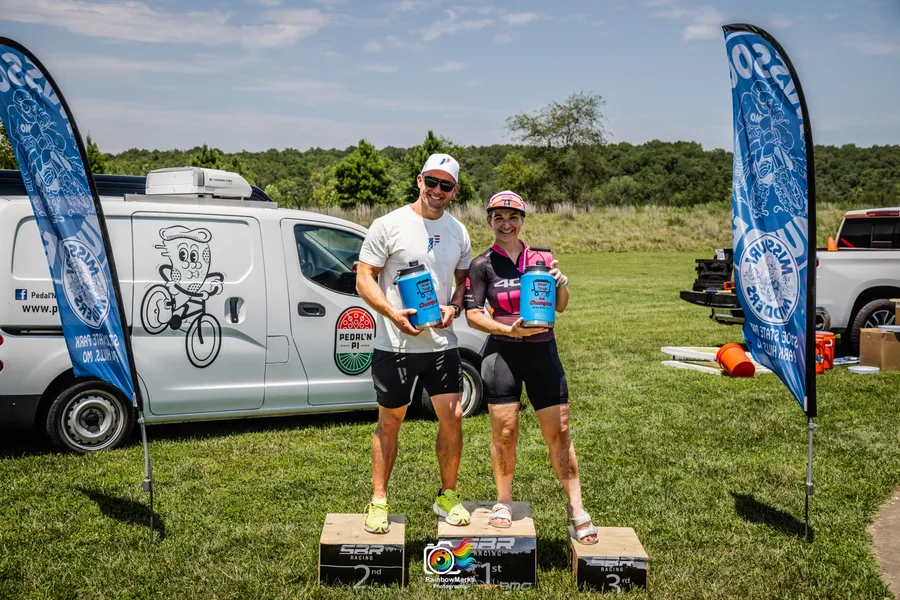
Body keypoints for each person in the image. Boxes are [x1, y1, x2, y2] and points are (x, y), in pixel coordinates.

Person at [464, 190, 598, 544]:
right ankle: (504, 501)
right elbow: (474, 314)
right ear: (489, 221)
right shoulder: (482, 265)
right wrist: (507, 328)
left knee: (560, 434)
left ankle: (577, 509)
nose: (506, 224)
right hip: (502, 355)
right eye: (498, 217)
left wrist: (562, 285)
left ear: (522, 220)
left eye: (513, 217)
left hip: (542, 353)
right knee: (504, 434)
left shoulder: (541, 257)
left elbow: (562, 306)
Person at [356, 153, 473, 534]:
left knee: (453, 418)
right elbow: (364, 278)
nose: (437, 191)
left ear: (454, 191)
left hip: (442, 343)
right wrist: (392, 313)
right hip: (395, 344)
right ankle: (378, 501)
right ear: (419, 180)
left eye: (447, 185)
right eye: (432, 182)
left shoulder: (459, 232)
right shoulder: (388, 224)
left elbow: (462, 281)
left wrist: (455, 306)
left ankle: (448, 496)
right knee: (390, 422)